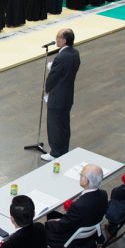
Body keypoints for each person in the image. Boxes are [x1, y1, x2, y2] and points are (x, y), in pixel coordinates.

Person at [44, 164, 108, 248]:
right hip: (89, 232)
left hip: (73, 241)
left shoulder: (79, 206)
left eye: (81, 175)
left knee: (41, 229)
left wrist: (48, 224)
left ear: (86, 181)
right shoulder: (103, 194)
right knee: (52, 213)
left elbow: (62, 226)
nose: (79, 176)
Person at [42, 28, 80, 161]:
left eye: (58, 37)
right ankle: (63, 149)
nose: (56, 39)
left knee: (54, 125)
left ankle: (55, 153)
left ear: (64, 40)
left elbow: (53, 78)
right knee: (64, 125)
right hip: (67, 95)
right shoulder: (75, 53)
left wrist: (47, 90)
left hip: (57, 97)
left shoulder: (61, 57)